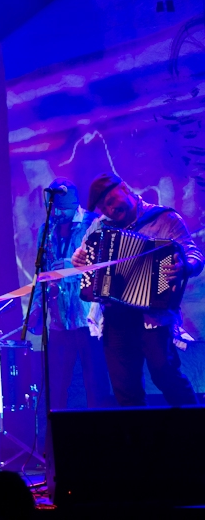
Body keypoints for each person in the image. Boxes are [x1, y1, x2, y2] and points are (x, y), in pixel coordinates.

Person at [71, 173, 203, 407]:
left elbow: (194, 254)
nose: (110, 209)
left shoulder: (164, 218)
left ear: (124, 188)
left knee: (165, 375)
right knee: (125, 388)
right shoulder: (99, 227)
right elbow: (85, 258)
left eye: (111, 201)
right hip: (115, 317)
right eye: (104, 207)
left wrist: (184, 266)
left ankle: (194, 425)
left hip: (154, 314)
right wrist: (79, 259)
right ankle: (138, 432)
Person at [28, 177, 112, 409]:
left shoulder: (93, 223)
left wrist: (70, 267)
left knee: (95, 383)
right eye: (53, 209)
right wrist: (37, 307)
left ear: (74, 205)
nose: (56, 214)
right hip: (59, 320)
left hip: (89, 318)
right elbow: (42, 271)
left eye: (62, 209)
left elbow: (106, 265)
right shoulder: (46, 229)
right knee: (55, 386)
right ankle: (56, 430)